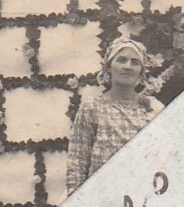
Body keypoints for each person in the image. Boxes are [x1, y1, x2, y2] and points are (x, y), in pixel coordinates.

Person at [66, 36, 164, 193]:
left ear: (141, 71)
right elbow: (77, 164)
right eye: (121, 60)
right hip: (101, 197)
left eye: (135, 62)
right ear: (109, 67)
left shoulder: (154, 109)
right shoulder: (92, 108)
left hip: (142, 195)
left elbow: (162, 160)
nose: (128, 66)